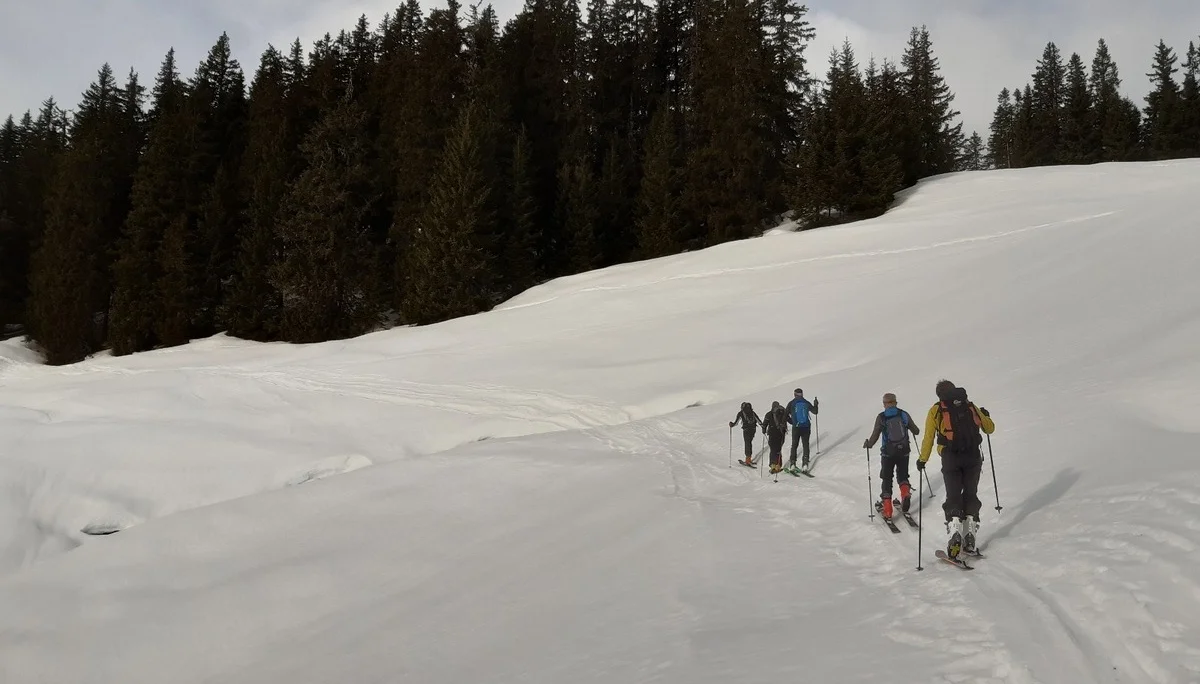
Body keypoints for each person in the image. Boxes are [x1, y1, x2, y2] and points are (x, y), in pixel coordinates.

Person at [917, 380, 995, 560]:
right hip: (973, 456)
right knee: (970, 494)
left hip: (951, 457)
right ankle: (970, 535)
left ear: (939, 395)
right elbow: (989, 429)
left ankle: (954, 532)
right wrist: (985, 416)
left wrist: (923, 459)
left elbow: (929, 436)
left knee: (953, 495)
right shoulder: (969, 405)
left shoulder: (936, 409)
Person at [862, 392, 919, 520]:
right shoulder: (903, 414)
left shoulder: (881, 417)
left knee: (887, 478)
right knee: (903, 475)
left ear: (885, 404)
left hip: (888, 453)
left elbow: (875, 435)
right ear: (895, 402)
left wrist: (869, 444)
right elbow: (916, 430)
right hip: (904, 451)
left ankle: (887, 510)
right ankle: (905, 494)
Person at [784, 388, 819, 471]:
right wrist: (816, 404)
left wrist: (792, 422)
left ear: (794, 394)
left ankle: (792, 463)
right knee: (805, 445)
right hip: (806, 427)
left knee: (794, 445)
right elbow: (815, 412)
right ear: (802, 394)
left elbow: (785, 415)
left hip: (796, 427)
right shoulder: (806, 402)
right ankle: (805, 464)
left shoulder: (792, 403)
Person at [729, 402, 762, 466]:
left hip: (746, 430)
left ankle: (748, 460)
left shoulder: (741, 413)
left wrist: (731, 425)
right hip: (753, 430)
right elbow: (759, 421)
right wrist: (763, 427)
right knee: (749, 443)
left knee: (747, 443)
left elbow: (736, 423)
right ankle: (749, 459)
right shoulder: (752, 412)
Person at [762, 401, 789, 474]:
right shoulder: (783, 412)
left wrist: (764, 430)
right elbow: (790, 420)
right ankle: (778, 466)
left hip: (772, 434)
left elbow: (764, 424)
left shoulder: (769, 414)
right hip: (781, 433)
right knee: (778, 449)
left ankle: (772, 465)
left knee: (773, 449)